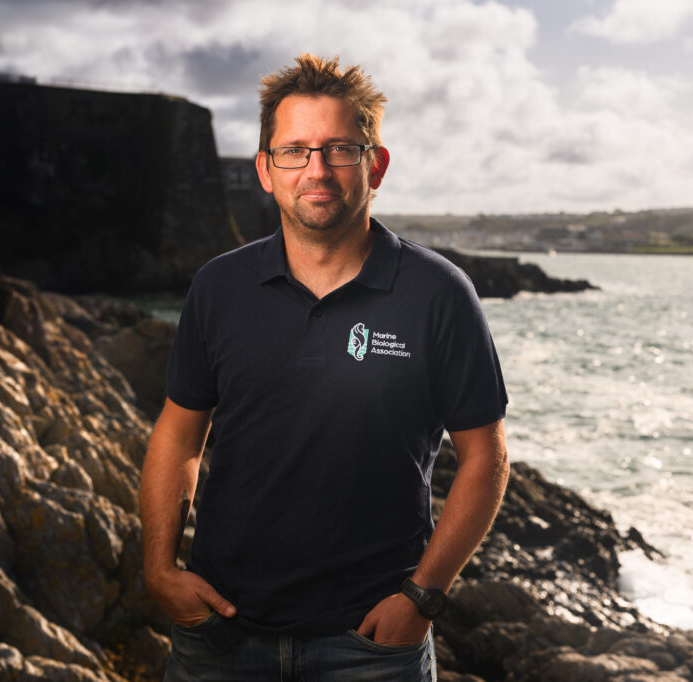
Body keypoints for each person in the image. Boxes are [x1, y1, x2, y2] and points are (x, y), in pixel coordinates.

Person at [139, 53, 510, 681]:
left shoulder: (439, 293)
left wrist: (422, 599)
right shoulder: (218, 288)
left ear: (376, 165)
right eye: (295, 151)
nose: (317, 169)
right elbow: (179, 434)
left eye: (340, 149)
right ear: (265, 170)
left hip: (371, 648)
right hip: (221, 637)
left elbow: (486, 457)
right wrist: (159, 569)